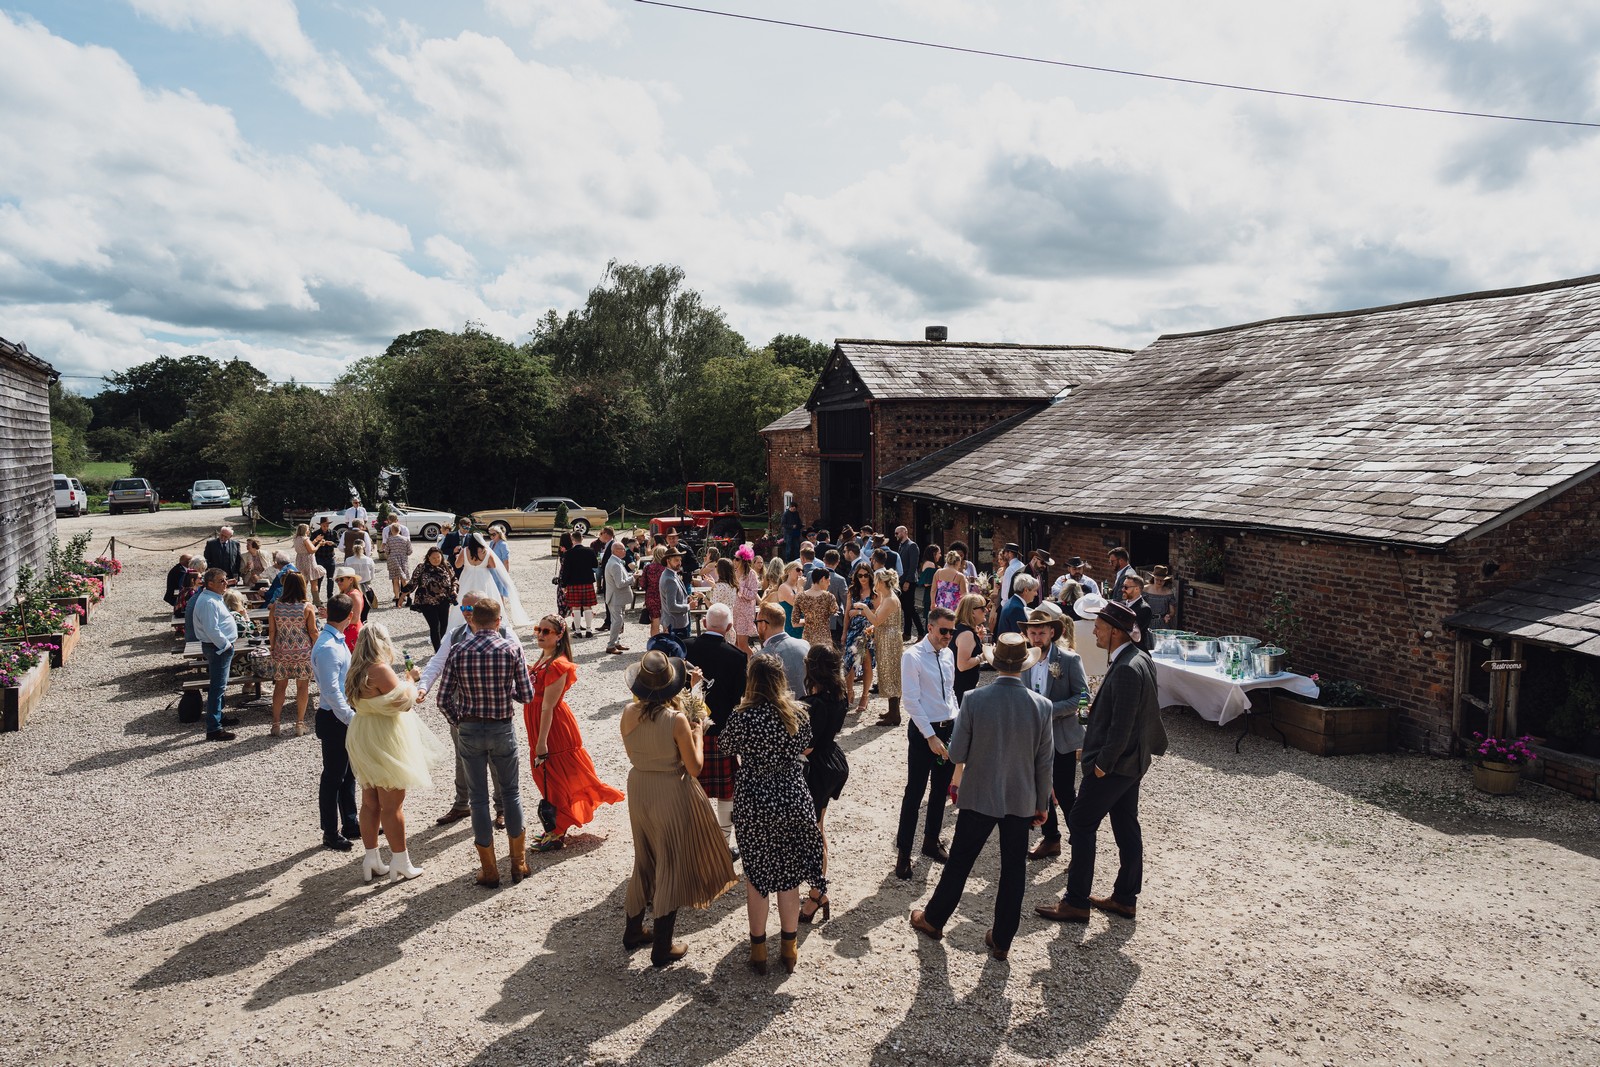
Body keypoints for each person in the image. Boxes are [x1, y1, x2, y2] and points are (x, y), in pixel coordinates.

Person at [910, 633, 1053, 961]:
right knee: (1014, 869)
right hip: (1021, 796)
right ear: (1023, 666)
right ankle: (1002, 939)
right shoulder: (1042, 706)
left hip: (979, 794)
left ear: (995, 661)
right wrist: (1041, 803)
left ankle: (934, 919)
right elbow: (1045, 761)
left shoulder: (974, 700)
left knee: (960, 861)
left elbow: (957, 751)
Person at [1036, 599, 1168, 924]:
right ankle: (1125, 898)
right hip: (1130, 762)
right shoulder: (1139, 659)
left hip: (1114, 764)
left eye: (1099, 625)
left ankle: (1076, 901)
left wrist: (1101, 765)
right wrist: (1090, 715)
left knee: (1080, 822)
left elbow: (1122, 725)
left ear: (1113, 632)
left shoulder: (1124, 666)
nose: (1093, 629)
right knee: (1125, 825)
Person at [621, 650, 739, 967]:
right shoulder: (676, 722)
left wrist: (696, 691)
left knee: (644, 859)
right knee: (669, 863)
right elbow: (696, 766)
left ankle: (633, 930)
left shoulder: (628, 712)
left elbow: (678, 718)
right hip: (670, 790)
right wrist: (698, 734)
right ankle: (662, 946)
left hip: (639, 786)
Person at [721, 653, 827, 974]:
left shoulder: (741, 717)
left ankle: (758, 953)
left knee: (757, 877)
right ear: (781, 680)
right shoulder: (798, 713)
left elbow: (725, 746)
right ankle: (789, 949)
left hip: (754, 800)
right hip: (791, 796)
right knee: (789, 877)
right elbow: (808, 748)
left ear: (751, 681)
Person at [433, 596, 536, 888]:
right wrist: (506, 694)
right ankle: (518, 863)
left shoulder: (459, 649)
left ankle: (489, 870)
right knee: (511, 794)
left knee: (478, 799)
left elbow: (443, 699)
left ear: (473, 621)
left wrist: (458, 719)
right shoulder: (512, 648)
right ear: (498, 621)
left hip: (470, 729)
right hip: (502, 727)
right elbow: (527, 695)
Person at [345, 622, 440, 884]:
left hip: (362, 732)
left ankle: (372, 858)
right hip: (383, 737)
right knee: (392, 804)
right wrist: (411, 679)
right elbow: (404, 703)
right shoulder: (379, 668)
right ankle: (401, 861)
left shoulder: (355, 669)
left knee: (369, 801)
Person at [524, 615, 625, 852]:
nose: (540, 634)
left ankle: (557, 830)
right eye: (538, 629)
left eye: (546, 631)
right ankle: (556, 827)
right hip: (540, 722)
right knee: (547, 775)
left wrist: (541, 743)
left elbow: (548, 706)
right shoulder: (544, 659)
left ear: (559, 636)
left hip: (553, 727)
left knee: (555, 775)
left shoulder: (558, 664)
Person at [417, 591, 509, 828]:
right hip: (462, 707)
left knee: (495, 759)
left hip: (494, 709)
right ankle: (461, 804)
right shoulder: (455, 634)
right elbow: (437, 662)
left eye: (472, 609)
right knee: (461, 756)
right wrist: (423, 687)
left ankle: (502, 807)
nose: (467, 614)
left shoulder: (505, 633)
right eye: (464, 609)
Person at [894, 605, 960, 879]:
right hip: (925, 732)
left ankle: (931, 841)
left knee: (940, 790)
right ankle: (903, 853)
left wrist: (957, 722)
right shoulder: (912, 656)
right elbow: (910, 700)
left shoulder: (948, 654)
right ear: (930, 627)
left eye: (951, 631)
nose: (948, 636)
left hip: (948, 728)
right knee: (915, 792)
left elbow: (950, 693)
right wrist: (930, 736)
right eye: (944, 630)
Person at [1020, 605, 1089, 862]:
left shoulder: (1069, 660)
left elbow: (1083, 697)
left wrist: (1049, 710)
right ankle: (1051, 839)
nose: (1036, 638)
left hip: (1060, 737)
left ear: (1052, 632)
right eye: (1032, 633)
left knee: (1064, 791)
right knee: (1040, 790)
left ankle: (1080, 847)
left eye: (1041, 632)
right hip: (1033, 738)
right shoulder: (1024, 658)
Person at [684, 603, 748, 857]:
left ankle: (694, 842)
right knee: (725, 793)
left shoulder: (686, 648)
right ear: (730, 628)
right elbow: (737, 697)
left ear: (703, 624)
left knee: (690, 791)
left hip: (687, 733)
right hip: (722, 735)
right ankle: (722, 845)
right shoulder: (737, 656)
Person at [800, 644, 848, 924]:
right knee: (818, 827)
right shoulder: (839, 697)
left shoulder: (811, 705)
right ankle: (817, 891)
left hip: (815, 768)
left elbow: (805, 747)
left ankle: (817, 894)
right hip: (832, 761)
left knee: (816, 831)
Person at [311, 595, 362, 850]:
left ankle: (351, 822)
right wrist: (351, 718)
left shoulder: (335, 640)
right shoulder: (330, 647)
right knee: (333, 777)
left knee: (348, 773)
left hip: (339, 714)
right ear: (349, 616)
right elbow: (332, 691)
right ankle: (330, 831)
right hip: (334, 718)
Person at [190, 568, 239, 742]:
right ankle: (214, 729)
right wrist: (226, 646)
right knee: (217, 688)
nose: (226, 583)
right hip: (218, 648)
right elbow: (212, 629)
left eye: (225, 579)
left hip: (218, 647)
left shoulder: (212, 598)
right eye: (221, 581)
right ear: (210, 583)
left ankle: (219, 716)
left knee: (221, 686)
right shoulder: (208, 602)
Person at [268, 570, 317, 737]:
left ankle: (275, 723)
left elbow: (272, 631)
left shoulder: (275, 606)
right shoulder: (307, 607)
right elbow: (313, 631)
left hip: (282, 651)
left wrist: (273, 649)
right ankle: (299, 723)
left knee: (280, 687)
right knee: (302, 687)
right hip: (303, 652)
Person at [452, 532, 530, 630]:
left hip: (467, 576)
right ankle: (486, 621)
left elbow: (457, 565)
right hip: (483, 576)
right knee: (485, 598)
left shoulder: (464, 551)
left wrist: (458, 557)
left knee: (465, 597)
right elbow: (493, 565)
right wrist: (483, 565)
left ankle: (462, 622)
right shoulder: (486, 551)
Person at [866, 568, 905, 726]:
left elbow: (876, 620)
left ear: (881, 582)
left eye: (875, 580)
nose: (874, 583)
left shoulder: (889, 599)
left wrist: (864, 609)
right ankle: (892, 711)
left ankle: (895, 715)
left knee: (891, 674)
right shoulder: (887, 597)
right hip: (886, 637)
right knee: (888, 673)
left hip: (890, 640)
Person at [406, 546, 458, 651]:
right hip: (427, 601)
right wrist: (403, 594)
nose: (436, 560)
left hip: (444, 600)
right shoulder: (422, 567)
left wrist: (454, 590)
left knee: (444, 625)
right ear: (428, 557)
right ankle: (438, 651)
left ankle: (441, 647)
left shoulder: (446, 566)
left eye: (438, 557)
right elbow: (413, 582)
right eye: (433, 558)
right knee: (435, 626)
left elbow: (454, 579)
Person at [754, 602, 809, 700]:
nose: (756, 626)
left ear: (763, 625)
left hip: (778, 712)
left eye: (756, 622)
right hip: (806, 710)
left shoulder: (760, 657)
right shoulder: (805, 645)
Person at [843, 562, 875, 711]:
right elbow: (847, 614)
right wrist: (844, 632)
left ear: (870, 575)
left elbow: (877, 614)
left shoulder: (875, 592)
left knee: (866, 662)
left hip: (868, 631)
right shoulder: (852, 591)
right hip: (853, 630)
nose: (863, 578)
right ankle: (849, 691)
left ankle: (865, 695)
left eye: (865, 575)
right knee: (849, 662)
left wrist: (860, 612)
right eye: (860, 575)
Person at [559, 533, 600, 637]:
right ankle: (589, 630)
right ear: (582, 539)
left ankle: (577, 632)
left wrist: (563, 584)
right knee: (588, 607)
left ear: (573, 540)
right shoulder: (590, 551)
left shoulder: (568, 553)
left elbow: (566, 571)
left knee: (576, 608)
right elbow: (595, 565)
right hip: (587, 582)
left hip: (573, 583)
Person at [951, 592, 988, 707]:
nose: (986, 610)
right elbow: (962, 665)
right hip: (961, 686)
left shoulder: (961, 628)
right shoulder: (967, 634)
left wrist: (978, 638)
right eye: (982, 608)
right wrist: (982, 656)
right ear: (972, 612)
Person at [792, 566, 839, 649]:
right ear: (823, 579)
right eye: (828, 580)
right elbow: (834, 610)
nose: (829, 583)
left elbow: (794, 623)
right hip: (824, 639)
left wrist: (810, 619)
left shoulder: (800, 597)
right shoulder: (829, 597)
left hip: (807, 638)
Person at [603, 541, 635, 655]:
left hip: (618, 597)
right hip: (616, 597)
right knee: (617, 621)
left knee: (618, 620)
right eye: (622, 549)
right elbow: (620, 583)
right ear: (615, 551)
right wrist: (633, 578)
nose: (624, 551)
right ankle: (611, 645)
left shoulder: (616, 562)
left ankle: (616, 642)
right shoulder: (615, 564)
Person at [894, 526, 924, 641]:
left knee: (910, 607)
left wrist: (907, 581)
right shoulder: (901, 545)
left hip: (909, 581)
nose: (896, 535)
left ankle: (921, 632)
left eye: (897, 533)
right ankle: (907, 633)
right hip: (901, 581)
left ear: (904, 532)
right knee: (906, 607)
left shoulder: (912, 546)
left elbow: (913, 565)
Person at [658, 548, 692, 644]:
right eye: (676, 560)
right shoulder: (670, 579)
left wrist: (687, 598)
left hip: (675, 622)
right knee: (677, 654)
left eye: (680, 560)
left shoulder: (671, 574)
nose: (679, 563)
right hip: (675, 624)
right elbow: (672, 606)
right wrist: (689, 606)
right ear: (668, 561)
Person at [733, 544, 760, 652]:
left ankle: (753, 663)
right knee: (734, 643)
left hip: (745, 613)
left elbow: (753, 594)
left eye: (737, 559)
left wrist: (740, 588)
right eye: (734, 559)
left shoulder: (751, 574)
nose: (734, 561)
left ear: (743, 560)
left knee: (742, 644)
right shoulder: (734, 573)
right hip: (735, 611)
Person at [383, 512, 413, 607]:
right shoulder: (406, 539)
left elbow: (386, 551)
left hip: (392, 560)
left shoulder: (389, 539)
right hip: (403, 560)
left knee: (395, 580)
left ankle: (396, 598)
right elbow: (410, 551)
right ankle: (407, 597)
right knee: (404, 580)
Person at [1119, 573, 1155, 651]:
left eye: (1126, 587)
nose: (1123, 590)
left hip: (1134, 651)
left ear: (1137, 589)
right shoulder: (1121, 604)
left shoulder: (1144, 609)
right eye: (1123, 586)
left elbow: (1130, 631)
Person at [333, 567, 366, 647]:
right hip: (346, 630)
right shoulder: (346, 593)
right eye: (337, 580)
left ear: (351, 580)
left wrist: (334, 620)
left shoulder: (353, 595)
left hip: (352, 632)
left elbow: (355, 619)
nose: (338, 582)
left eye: (341, 579)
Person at [642, 545, 668, 637]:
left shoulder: (648, 567)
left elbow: (643, 584)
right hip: (665, 597)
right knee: (667, 623)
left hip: (652, 596)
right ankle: (666, 644)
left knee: (654, 623)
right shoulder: (667, 569)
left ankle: (654, 645)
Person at [311, 517, 339, 602]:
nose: (325, 527)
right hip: (319, 558)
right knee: (319, 578)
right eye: (323, 526)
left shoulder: (333, 533)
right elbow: (310, 544)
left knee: (330, 578)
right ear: (320, 525)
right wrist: (317, 541)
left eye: (326, 525)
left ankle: (330, 596)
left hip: (330, 557)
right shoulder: (315, 533)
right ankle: (317, 597)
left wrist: (332, 543)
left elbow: (337, 543)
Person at [347, 542, 376, 608]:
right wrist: (370, 579)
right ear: (363, 550)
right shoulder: (369, 560)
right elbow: (372, 574)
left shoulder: (348, 560)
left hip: (353, 582)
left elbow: (347, 572)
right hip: (366, 582)